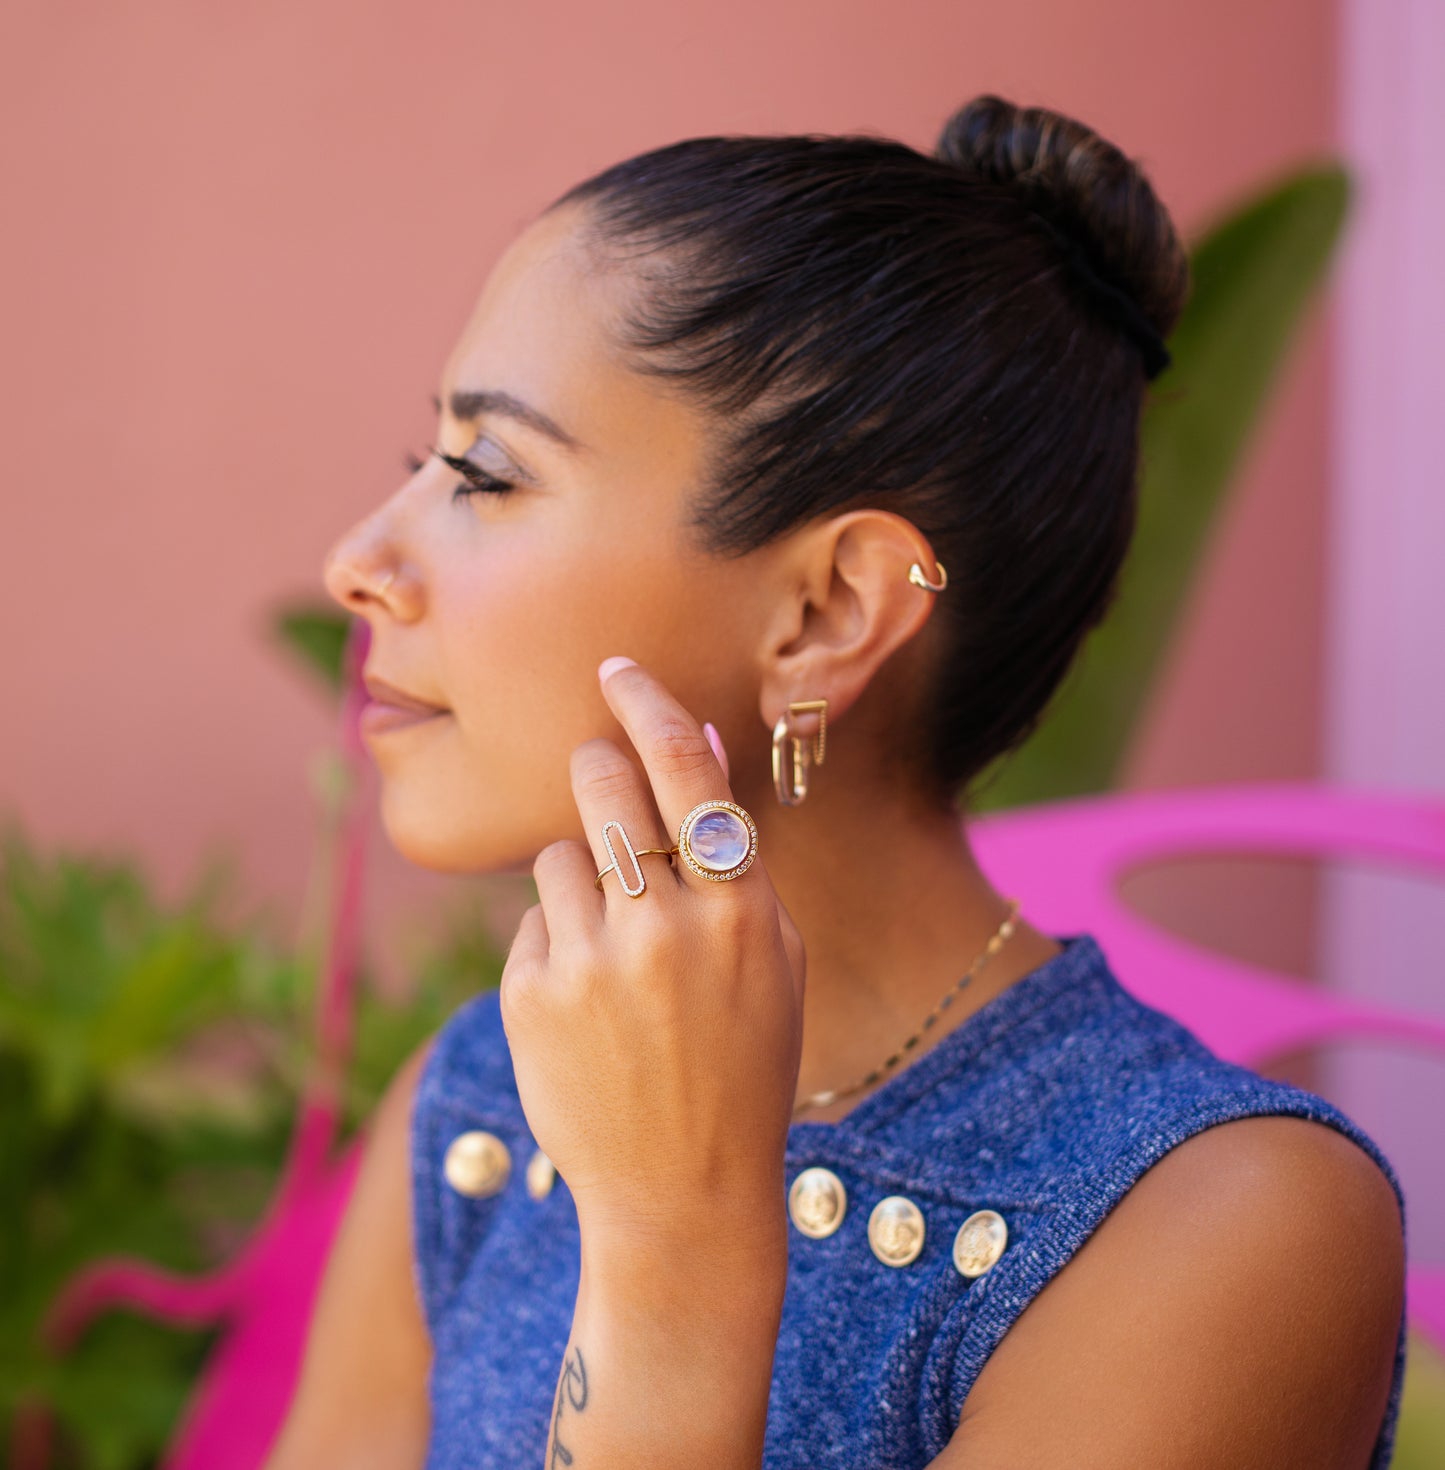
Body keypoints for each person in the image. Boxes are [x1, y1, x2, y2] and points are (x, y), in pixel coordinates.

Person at [267, 95, 1407, 1468]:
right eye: (423, 459)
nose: (356, 559)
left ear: (825, 614)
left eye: (485, 471)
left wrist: (674, 1249)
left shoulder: (1225, 1227)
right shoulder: (472, 1113)